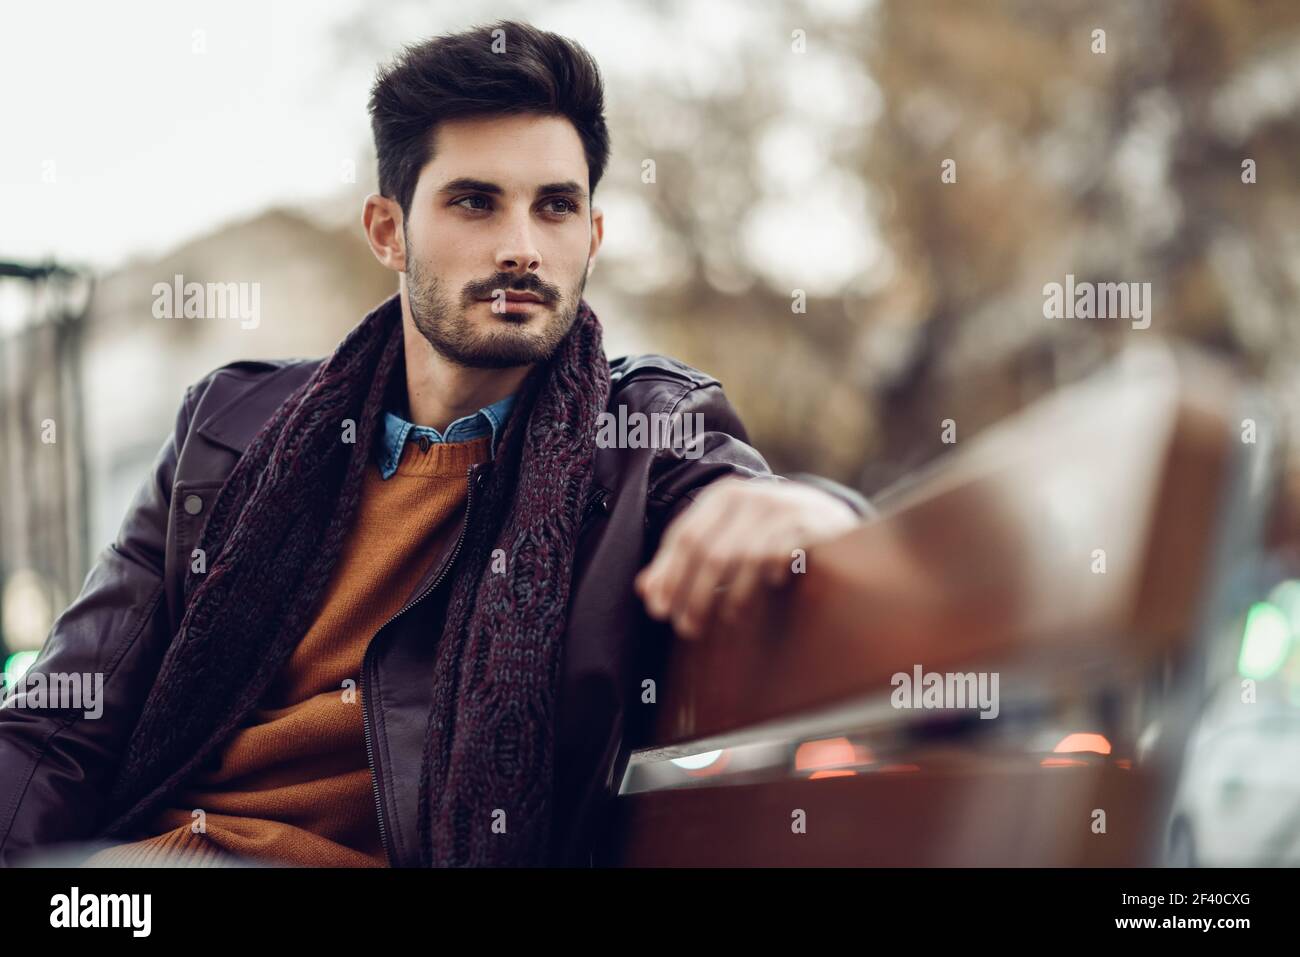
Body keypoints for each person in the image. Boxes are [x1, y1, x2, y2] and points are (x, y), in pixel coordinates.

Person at [0, 19, 871, 869]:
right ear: (389, 232)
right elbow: (56, 725)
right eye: (474, 202)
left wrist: (798, 505)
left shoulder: (636, 435)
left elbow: (734, 493)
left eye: (556, 207)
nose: (522, 248)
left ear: (593, 239)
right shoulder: (228, 428)